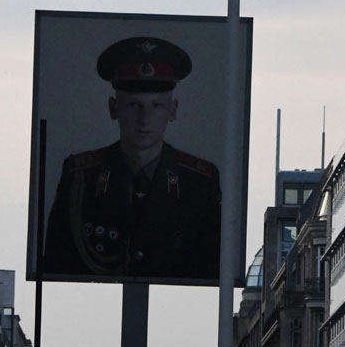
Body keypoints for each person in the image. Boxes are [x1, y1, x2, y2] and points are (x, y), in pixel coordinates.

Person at [43, 36, 221, 280]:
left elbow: (211, 267)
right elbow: (56, 264)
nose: (144, 119)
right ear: (113, 108)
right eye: (133, 105)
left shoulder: (199, 182)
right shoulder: (80, 178)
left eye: (156, 105)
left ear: (173, 110)